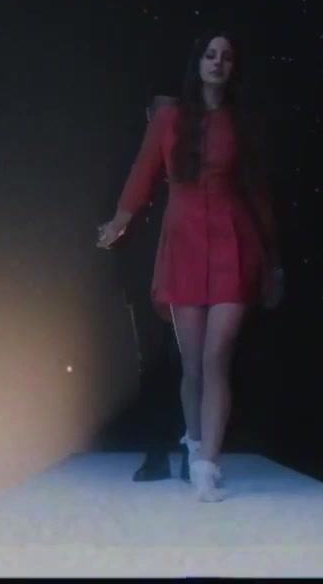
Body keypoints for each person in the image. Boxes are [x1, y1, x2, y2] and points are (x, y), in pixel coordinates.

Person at [97, 30, 284, 502]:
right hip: (183, 244)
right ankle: (195, 442)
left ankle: (206, 468)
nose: (217, 62)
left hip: (233, 242)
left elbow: (257, 192)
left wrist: (274, 260)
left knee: (217, 357)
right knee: (193, 364)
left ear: (233, 67)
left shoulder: (241, 122)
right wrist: (120, 220)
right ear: (197, 62)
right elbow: (142, 172)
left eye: (226, 57)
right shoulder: (169, 117)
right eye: (210, 54)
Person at [107, 94, 189, 483]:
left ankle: (191, 451)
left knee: (189, 363)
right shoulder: (137, 168)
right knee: (154, 365)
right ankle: (157, 453)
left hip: (184, 274)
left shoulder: (186, 169)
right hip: (146, 277)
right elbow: (117, 221)